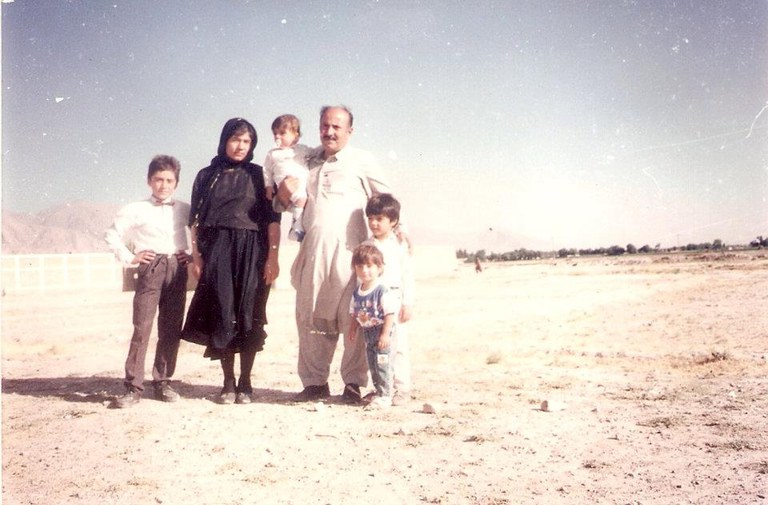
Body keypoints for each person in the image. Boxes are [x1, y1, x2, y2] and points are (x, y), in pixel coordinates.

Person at [276, 105, 396, 404]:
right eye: (325, 126)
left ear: (350, 131)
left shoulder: (361, 160)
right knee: (310, 319)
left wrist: (398, 230)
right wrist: (282, 193)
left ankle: (354, 383)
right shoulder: (305, 159)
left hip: (351, 257)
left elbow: (386, 199)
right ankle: (314, 383)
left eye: (337, 127)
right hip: (312, 254)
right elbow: (280, 205)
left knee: (354, 317)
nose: (329, 132)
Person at [182, 117, 281, 405]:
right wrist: (197, 256)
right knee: (223, 312)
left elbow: (273, 220)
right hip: (218, 250)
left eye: (247, 141)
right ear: (225, 140)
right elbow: (195, 221)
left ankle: (246, 382)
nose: (240, 146)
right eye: (235, 139)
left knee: (248, 312)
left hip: (253, 251)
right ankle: (227, 382)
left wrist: (272, 257)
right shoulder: (206, 176)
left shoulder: (260, 175)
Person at [105, 155, 191, 408]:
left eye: (169, 180)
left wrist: (193, 254)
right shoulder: (136, 209)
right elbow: (112, 234)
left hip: (177, 267)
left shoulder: (186, 208)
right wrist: (132, 257)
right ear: (149, 181)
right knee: (142, 327)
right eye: (158, 180)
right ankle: (133, 387)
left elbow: (201, 231)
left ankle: (163, 382)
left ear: (176, 182)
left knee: (171, 328)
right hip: (150, 268)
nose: (163, 185)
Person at [362, 193, 415, 406]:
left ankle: (402, 388)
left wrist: (408, 302)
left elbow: (407, 275)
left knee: (398, 345)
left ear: (393, 221)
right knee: (376, 347)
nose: (374, 223)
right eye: (371, 218)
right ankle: (382, 388)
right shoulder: (366, 245)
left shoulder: (399, 245)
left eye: (379, 219)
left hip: (394, 298)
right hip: (373, 303)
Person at [347, 243, 396, 409]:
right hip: (368, 333)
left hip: (381, 332)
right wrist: (353, 329)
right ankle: (378, 391)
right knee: (373, 364)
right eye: (360, 266)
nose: (364, 270)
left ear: (379, 267)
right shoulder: (357, 291)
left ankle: (386, 395)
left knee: (383, 364)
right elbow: (354, 312)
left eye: (369, 266)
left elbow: (390, 313)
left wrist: (385, 334)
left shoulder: (381, 290)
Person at [263, 114, 311, 241]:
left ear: (295, 135)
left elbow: (316, 153)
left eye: (282, 133)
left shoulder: (301, 150)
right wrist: (268, 185)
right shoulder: (273, 153)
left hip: (300, 183)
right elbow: (267, 170)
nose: (278, 137)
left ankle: (296, 226)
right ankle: (297, 226)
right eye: (275, 133)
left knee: (301, 201)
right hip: (284, 185)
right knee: (300, 200)